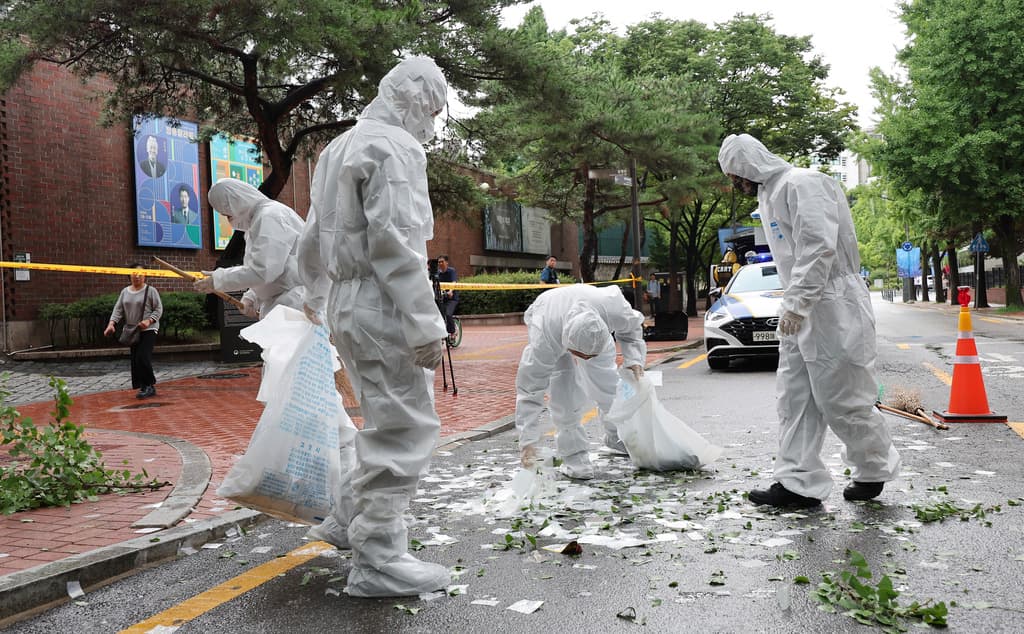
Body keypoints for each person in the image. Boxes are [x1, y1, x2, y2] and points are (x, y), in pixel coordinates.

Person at [296, 56, 450, 598]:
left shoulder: (338, 146)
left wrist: (315, 295)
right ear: (416, 100)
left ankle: (347, 519)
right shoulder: (396, 148)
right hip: (382, 304)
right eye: (433, 110)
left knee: (380, 419)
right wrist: (425, 323)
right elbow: (397, 241)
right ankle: (378, 557)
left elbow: (313, 235)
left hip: (346, 300)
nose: (432, 123)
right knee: (403, 428)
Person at [718, 133, 901, 508]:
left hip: (834, 304)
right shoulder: (769, 194)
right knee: (794, 397)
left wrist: (798, 302)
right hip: (800, 305)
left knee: (843, 396)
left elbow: (819, 245)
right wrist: (795, 303)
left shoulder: (803, 183)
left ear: (749, 164)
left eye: (736, 174)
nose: (735, 183)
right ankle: (797, 482)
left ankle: (873, 468)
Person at [516, 284, 646, 479]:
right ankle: (575, 458)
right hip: (550, 318)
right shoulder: (545, 338)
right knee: (564, 394)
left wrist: (634, 360)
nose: (585, 360)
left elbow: (632, 328)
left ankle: (617, 437)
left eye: (590, 356)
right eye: (581, 355)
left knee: (608, 385)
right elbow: (530, 391)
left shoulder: (612, 308)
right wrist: (527, 443)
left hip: (592, 323)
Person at [193, 178, 305, 320]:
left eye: (227, 215)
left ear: (235, 203)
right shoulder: (261, 220)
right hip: (287, 305)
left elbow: (263, 271)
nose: (229, 220)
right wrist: (252, 297)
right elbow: (272, 271)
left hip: (296, 306)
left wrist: (219, 280)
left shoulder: (270, 217)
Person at [103, 264, 163, 399]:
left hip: (149, 329)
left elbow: (158, 309)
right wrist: (111, 324)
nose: (137, 276)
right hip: (133, 330)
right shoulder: (125, 292)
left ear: (145, 275)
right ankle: (143, 386)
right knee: (136, 359)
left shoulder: (151, 291)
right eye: (134, 274)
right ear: (129, 275)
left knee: (142, 357)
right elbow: (118, 310)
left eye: (140, 274)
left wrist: (149, 321)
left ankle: (149, 385)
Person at [434, 255, 459, 339]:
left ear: (446, 262)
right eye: (439, 262)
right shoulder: (437, 273)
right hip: (442, 298)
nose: (440, 263)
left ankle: (452, 331)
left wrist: (451, 291)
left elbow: (454, 282)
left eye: (442, 261)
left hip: (452, 298)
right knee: (438, 315)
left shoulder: (451, 271)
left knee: (448, 314)